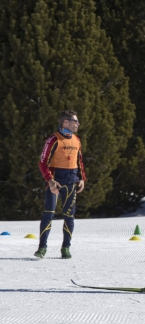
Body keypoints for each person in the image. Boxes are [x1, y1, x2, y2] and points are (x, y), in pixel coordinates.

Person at [36, 110, 86, 259]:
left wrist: (82, 178)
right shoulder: (53, 139)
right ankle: (42, 248)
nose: (78, 124)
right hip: (55, 182)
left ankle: (66, 247)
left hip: (71, 182)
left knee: (69, 217)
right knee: (49, 215)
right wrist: (50, 180)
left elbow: (80, 160)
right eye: (75, 121)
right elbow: (42, 162)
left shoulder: (76, 140)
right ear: (65, 122)